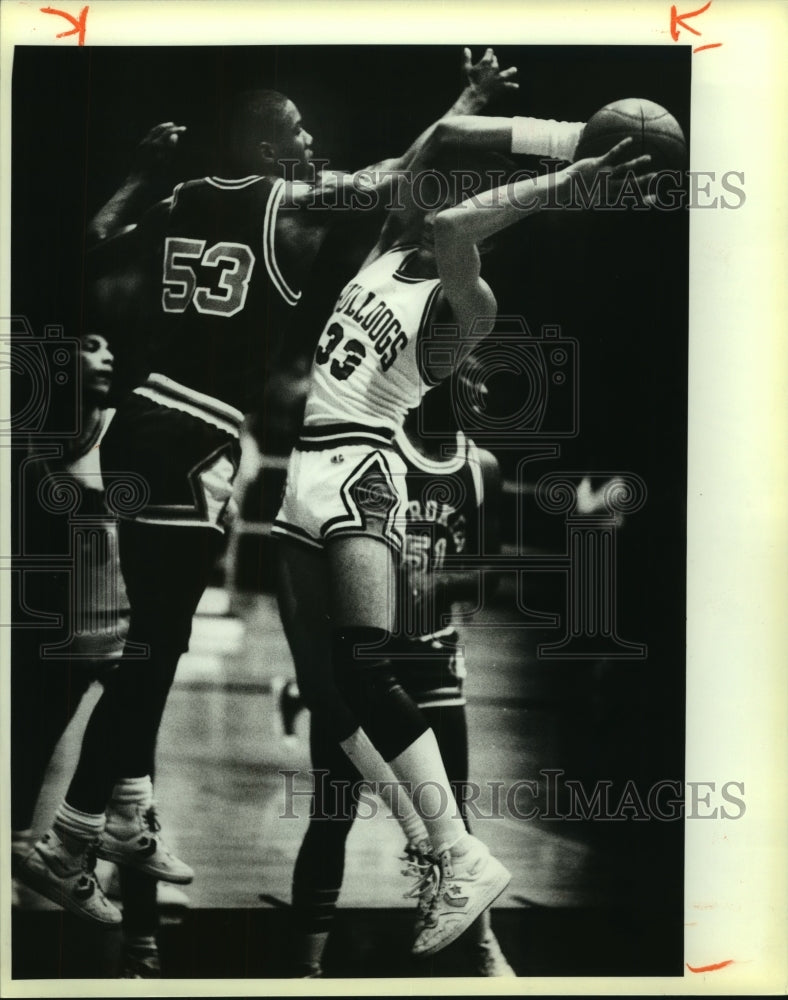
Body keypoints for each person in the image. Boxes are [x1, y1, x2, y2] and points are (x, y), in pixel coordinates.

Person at [16, 49, 522, 925]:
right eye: (296, 130)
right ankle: (65, 837)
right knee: (154, 648)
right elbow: (406, 171)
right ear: (263, 141)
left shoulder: (184, 197)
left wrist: (138, 176)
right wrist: (474, 102)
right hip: (193, 431)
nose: (312, 139)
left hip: (146, 416)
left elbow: (93, 243)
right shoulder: (291, 203)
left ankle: (129, 807)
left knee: (156, 640)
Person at [273, 110, 654, 956]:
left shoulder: (467, 301)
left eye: (468, 202)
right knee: (334, 686)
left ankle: (455, 852)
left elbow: (450, 219)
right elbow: (435, 147)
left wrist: (566, 181)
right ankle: (438, 849)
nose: (430, 195)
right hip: (308, 465)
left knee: (365, 668)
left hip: (358, 466)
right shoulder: (385, 248)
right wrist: (542, 128)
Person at [282, 360, 516, 976]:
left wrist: (428, 577)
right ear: (430, 378)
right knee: (331, 815)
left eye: (486, 381)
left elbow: (486, 575)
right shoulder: (377, 453)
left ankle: (484, 948)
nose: (483, 388)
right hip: (366, 660)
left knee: (453, 816)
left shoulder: (481, 467)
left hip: (434, 656)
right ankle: (304, 969)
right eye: (471, 376)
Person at [11, 330, 165, 976]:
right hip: (60, 635)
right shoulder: (39, 432)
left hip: (123, 632)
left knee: (138, 802)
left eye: (111, 346)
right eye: (91, 345)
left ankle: (143, 945)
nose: (107, 355)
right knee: (21, 769)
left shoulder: (126, 425)